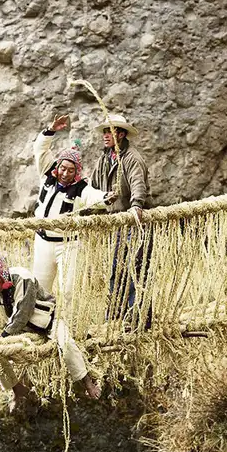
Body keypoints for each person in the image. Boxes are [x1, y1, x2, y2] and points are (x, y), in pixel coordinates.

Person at [0, 243, 101, 408]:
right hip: (21, 331)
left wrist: (4, 335)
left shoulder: (23, 277)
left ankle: (86, 380)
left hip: (49, 322)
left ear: (3, 274)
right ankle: (16, 388)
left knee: (66, 344)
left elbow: (23, 311)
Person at [32, 116, 117, 305]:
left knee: (69, 290)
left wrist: (106, 197)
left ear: (76, 172)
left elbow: (93, 197)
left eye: (70, 170)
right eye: (63, 168)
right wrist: (51, 129)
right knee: (40, 289)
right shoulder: (47, 174)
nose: (65, 173)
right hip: (42, 240)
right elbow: (40, 149)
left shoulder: (80, 188)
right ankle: (42, 320)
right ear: (58, 166)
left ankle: (68, 321)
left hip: (68, 244)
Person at [88, 114, 151, 323]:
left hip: (132, 221)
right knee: (116, 269)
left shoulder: (132, 158)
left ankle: (137, 317)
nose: (105, 135)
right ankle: (116, 313)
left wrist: (136, 205)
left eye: (110, 131)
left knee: (135, 268)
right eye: (105, 131)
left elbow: (138, 183)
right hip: (115, 222)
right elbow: (93, 187)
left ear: (121, 134)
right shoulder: (105, 159)